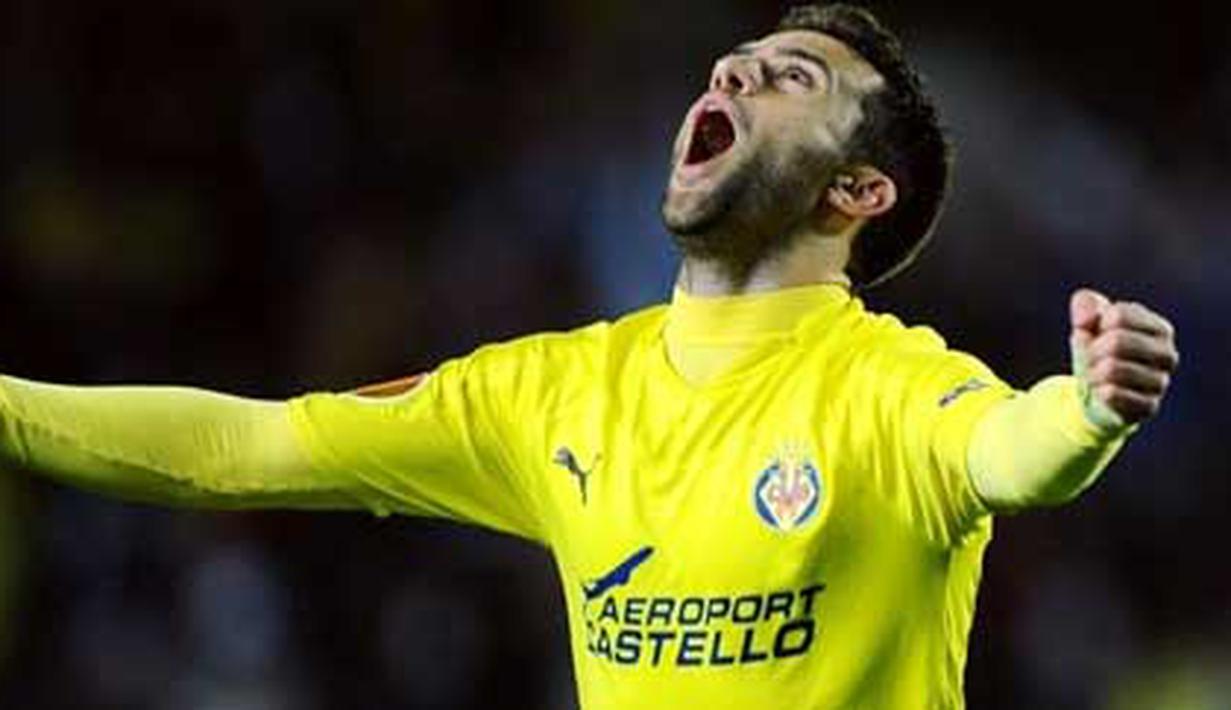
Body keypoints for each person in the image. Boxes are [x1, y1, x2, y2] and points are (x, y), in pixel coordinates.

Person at [0, 4, 1179, 708]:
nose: (730, 75)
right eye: (735, 62)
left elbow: (1006, 450)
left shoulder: (891, 385)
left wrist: (1087, 410)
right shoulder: (555, 390)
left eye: (791, 79)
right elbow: (246, 444)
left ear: (856, 190)